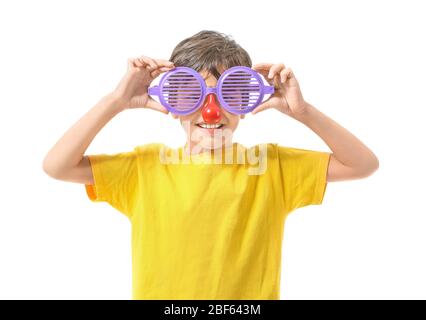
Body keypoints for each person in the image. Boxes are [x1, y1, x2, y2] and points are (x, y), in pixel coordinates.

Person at [42, 30, 379, 300]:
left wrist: (302, 112)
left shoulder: (271, 167)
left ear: (247, 100)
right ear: (171, 100)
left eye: (229, 92)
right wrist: (115, 102)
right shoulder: (143, 168)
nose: (211, 112)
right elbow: (57, 166)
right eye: (192, 93)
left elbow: (363, 164)